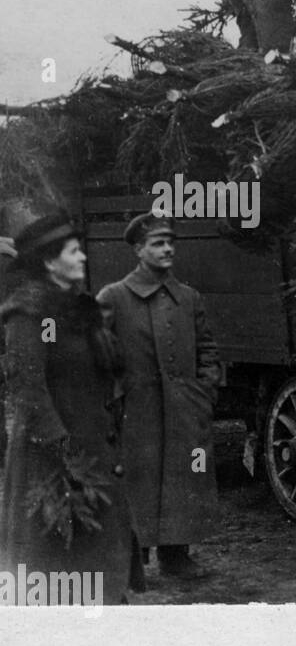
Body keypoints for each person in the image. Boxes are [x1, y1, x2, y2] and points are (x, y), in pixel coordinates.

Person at [0, 212, 133, 603]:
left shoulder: (80, 308)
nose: (83, 259)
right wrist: (64, 451)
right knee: (56, 563)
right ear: (48, 261)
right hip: (54, 457)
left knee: (98, 556)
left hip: (92, 445)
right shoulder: (29, 313)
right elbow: (28, 387)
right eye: (74, 252)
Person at [96, 215, 220, 580]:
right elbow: (96, 354)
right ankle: (133, 559)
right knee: (138, 480)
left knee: (183, 477)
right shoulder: (114, 296)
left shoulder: (188, 297)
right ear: (138, 250)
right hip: (135, 409)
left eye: (170, 242)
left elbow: (208, 349)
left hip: (184, 407)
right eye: (157, 244)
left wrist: (203, 392)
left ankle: (176, 556)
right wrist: (114, 398)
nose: (167, 249)